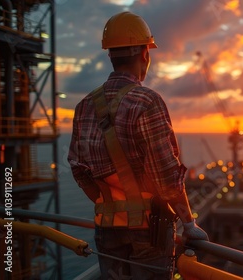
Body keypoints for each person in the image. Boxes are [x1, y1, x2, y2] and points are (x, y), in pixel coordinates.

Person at [68, 11, 208, 279]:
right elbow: (167, 178)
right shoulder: (147, 102)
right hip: (149, 231)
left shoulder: (84, 105)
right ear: (146, 54)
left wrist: (108, 202)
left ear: (110, 55)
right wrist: (189, 223)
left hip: (106, 228)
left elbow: (77, 168)